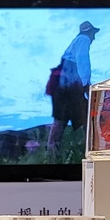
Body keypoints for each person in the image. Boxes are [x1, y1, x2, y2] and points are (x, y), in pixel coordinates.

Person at [45, 21, 98, 151]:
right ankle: (87, 147)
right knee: (85, 113)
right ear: (89, 32)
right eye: (93, 33)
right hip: (69, 84)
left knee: (62, 116)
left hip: (63, 84)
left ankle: (53, 151)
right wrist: (85, 85)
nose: (94, 37)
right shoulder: (83, 39)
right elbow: (82, 61)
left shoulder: (75, 43)